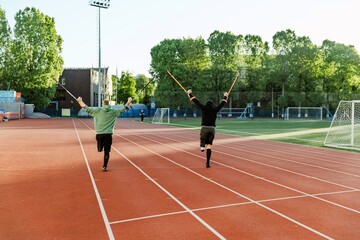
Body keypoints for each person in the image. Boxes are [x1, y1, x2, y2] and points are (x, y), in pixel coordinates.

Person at [77, 97, 132, 171]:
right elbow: (124, 109)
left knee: (100, 149)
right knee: (107, 152)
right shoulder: (113, 112)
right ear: (109, 104)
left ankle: (100, 149)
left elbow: (86, 108)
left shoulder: (97, 111)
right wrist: (128, 101)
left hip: (99, 134)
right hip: (108, 134)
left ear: (103, 104)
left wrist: (80, 101)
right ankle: (104, 166)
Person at [187, 89, 228, 168]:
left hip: (204, 128)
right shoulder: (215, 110)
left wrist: (190, 94)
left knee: (202, 138)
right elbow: (222, 103)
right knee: (209, 145)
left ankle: (202, 145)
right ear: (212, 105)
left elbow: (196, 102)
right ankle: (208, 162)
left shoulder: (204, 108)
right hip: (212, 129)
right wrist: (225, 96)